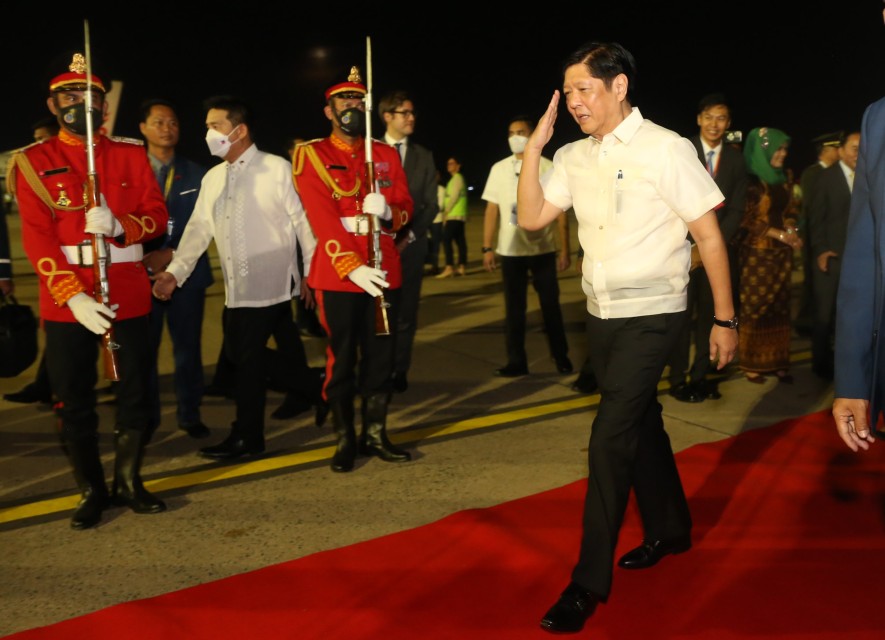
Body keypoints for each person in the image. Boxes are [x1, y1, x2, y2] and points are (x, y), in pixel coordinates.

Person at [516, 41, 737, 634]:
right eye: (568, 92)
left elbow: (708, 236)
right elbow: (533, 218)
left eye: (584, 89)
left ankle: (587, 583)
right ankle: (671, 529)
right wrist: (535, 150)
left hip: (656, 311)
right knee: (642, 422)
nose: (575, 102)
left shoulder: (666, 148)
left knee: (610, 436)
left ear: (619, 87)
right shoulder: (573, 156)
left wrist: (724, 319)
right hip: (602, 312)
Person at [6, 52, 169, 529]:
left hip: (126, 286)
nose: (81, 103)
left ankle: (129, 481)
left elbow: (157, 216)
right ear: (52, 104)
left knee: (136, 391)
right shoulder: (32, 161)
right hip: (69, 297)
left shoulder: (130, 152)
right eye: (70, 96)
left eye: (90, 96)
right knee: (73, 396)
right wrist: (72, 295)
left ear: (105, 105)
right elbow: (37, 238)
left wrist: (122, 226)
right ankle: (92, 489)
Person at [152, 95, 318, 460]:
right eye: (207, 127)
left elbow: (303, 222)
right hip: (236, 288)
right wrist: (174, 274)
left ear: (239, 131)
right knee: (241, 357)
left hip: (270, 283)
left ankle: (248, 435)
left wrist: (312, 272)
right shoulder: (213, 177)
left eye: (216, 126)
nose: (208, 133)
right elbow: (198, 230)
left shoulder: (276, 168)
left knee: (246, 361)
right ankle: (316, 387)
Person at [291, 66, 414, 473]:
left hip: (383, 266)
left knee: (381, 356)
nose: (352, 107)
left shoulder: (385, 153)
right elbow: (322, 217)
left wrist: (390, 212)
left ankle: (375, 433)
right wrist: (351, 266)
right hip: (339, 272)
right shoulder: (311, 154)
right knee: (341, 358)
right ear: (329, 111)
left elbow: (406, 206)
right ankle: (344, 437)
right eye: (344, 101)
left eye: (359, 101)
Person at [138, 98, 212, 440]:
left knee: (188, 349)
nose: (167, 129)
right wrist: (146, 257)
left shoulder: (199, 173)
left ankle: (190, 414)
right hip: (140, 275)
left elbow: (205, 225)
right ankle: (147, 417)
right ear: (143, 128)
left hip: (187, 276)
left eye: (173, 123)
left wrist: (169, 255)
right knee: (144, 351)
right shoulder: (130, 171)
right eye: (159, 122)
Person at [667, 93, 748, 403]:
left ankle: (699, 376)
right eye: (709, 117)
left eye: (721, 118)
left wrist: (710, 246)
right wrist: (692, 246)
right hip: (681, 251)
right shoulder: (681, 151)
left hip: (717, 253)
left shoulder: (737, 160)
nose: (715, 124)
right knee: (680, 316)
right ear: (699, 119)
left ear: (728, 123)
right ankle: (677, 378)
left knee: (710, 316)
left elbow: (737, 209)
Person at [481, 114, 572, 378]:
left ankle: (561, 356)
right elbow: (491, 210)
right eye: (511, 133)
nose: (515, 137)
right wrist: (487, 247)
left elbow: (561, 214)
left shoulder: (547, 166)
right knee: (514, 309)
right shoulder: (499, 168)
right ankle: (516, 361)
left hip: (542, 249)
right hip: (510, 251)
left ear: (532, 134)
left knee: (550, 307)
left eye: (520, 132)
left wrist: (564, 249)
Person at [379, 90, 438, 393]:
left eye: (413, 112)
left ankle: (399, 369)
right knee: (378, 312)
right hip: (376, 248)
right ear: (387, 116)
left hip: (411, 247)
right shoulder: (370, 152)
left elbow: (431, 204)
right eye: (405, 113)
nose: (412, 118)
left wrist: (408, 236)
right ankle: (377, 367)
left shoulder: (423, 156)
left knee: (405, 313)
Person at [3, 117, 62, 405]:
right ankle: (48, 385)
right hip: (50, 267)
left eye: (43, 138)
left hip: (74, 267)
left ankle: (53, 387)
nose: (38, 144)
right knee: (60, 332)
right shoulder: (32, 171)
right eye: (35, 139)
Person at [737, 127, 802, 384]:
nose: (782, 154)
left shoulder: (785, 177)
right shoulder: (750, 180)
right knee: (756, 307)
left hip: (781, 254)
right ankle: (752, 362)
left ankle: (778, 361)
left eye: (785, 149)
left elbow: (792, 208)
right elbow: (745, 218)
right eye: (777, 149)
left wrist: (792, 229)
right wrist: (777, 234)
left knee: (780, 307)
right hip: (757, 254)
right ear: (763, 150)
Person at [807, 131, 859, 381]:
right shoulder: (825, 178)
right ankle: (821, 363)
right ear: (841, 150)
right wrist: (820, 250)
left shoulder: (869, 177)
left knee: (851, 314)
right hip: (831, 257)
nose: (859, 154)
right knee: (824, 315)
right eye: (855, 148)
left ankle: (848, 360)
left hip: (858, 259)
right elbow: (815, 218)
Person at [795, 131, 843, 336]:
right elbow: (810, 207)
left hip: (825, 236)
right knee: (812, 282)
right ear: (826, 151)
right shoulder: (813, 173)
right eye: (836, 149)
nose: (839, 152)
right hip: (812, 236)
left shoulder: (833, 173)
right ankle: (807, 323)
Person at [435, 156, 468, 278]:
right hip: (459, 215)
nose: (449, 165)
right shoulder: (455, 179)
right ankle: (461, 267)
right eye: (448, 163)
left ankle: (449, 266)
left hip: (454, 215)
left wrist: (446, 213)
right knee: (460, 241)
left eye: (452, 163)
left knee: (446, 240)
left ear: (458, 166)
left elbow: (453, 197)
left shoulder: (457, 179)